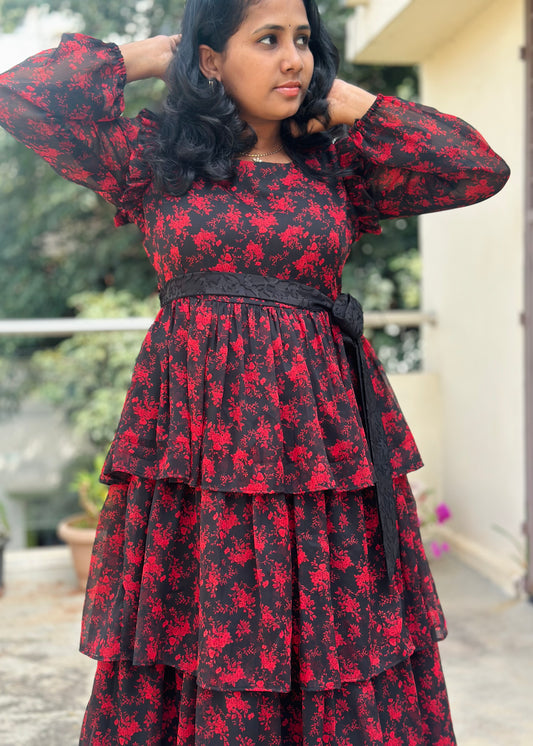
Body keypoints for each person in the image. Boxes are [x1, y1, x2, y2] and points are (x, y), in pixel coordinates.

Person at [0, 0, 509, 743]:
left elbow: (476, 167)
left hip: (320, 445)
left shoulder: (338, 168)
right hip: (197, 443)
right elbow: (23, 97)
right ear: (212, 58)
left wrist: (346, 101)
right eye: (267, 39)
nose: (293, 59)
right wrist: (155, 54)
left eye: (302, 40)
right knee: (199, 623)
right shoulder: (155, 162)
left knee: (335, 629)